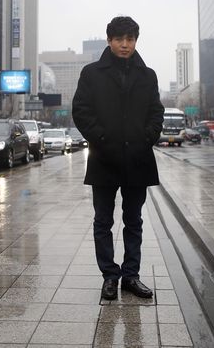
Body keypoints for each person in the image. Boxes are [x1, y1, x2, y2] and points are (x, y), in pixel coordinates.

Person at [72, 16, 165, 301]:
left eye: (130, 39)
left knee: (133, 220)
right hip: (104, 158)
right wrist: (101, 139)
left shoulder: (147, 75)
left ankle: (131, 276)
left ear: (136, 41)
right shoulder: (92, 73)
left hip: (138, 158)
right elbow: (81, 111)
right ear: (109, 40)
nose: (125, 45)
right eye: (119, 39)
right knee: (103, 221)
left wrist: (147, 137)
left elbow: (156, 112)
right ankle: (110, 277)